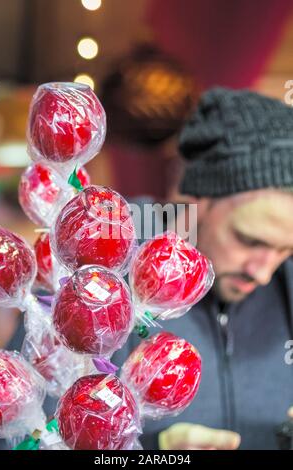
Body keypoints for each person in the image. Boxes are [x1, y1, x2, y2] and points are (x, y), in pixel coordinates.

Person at [113, 88, 293, 450]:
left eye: (285, 249)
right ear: (193, 198)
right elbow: (24, 434)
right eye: (250, 241)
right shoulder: (106, 272)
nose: (263, 272)